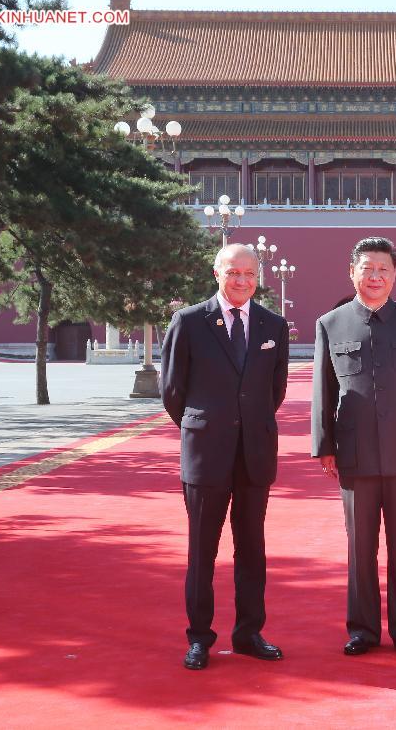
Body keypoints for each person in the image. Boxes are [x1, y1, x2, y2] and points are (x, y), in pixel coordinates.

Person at [312, 237, 396, 658]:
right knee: (360, 545)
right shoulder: (331, 324)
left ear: (394, 275)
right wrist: (325, 446)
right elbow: (323, 389)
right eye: (367, 269)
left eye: (383, 270)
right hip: (355, 454)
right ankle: (362, 629)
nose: (375, 277)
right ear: (351, 271)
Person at [161, 243, 290, 670]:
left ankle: (250, 632)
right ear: (217, 273)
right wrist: (205, 422)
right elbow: (172, 391)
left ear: (259, 277)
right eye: (233, 272)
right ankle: (200, 637)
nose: (241, 281)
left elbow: (275, 390)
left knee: (252, 547)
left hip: (254, 451)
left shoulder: (274, 324)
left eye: (249, 274)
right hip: (206, 452)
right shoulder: (190, 321)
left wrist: (246, 422)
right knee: (203, 549)